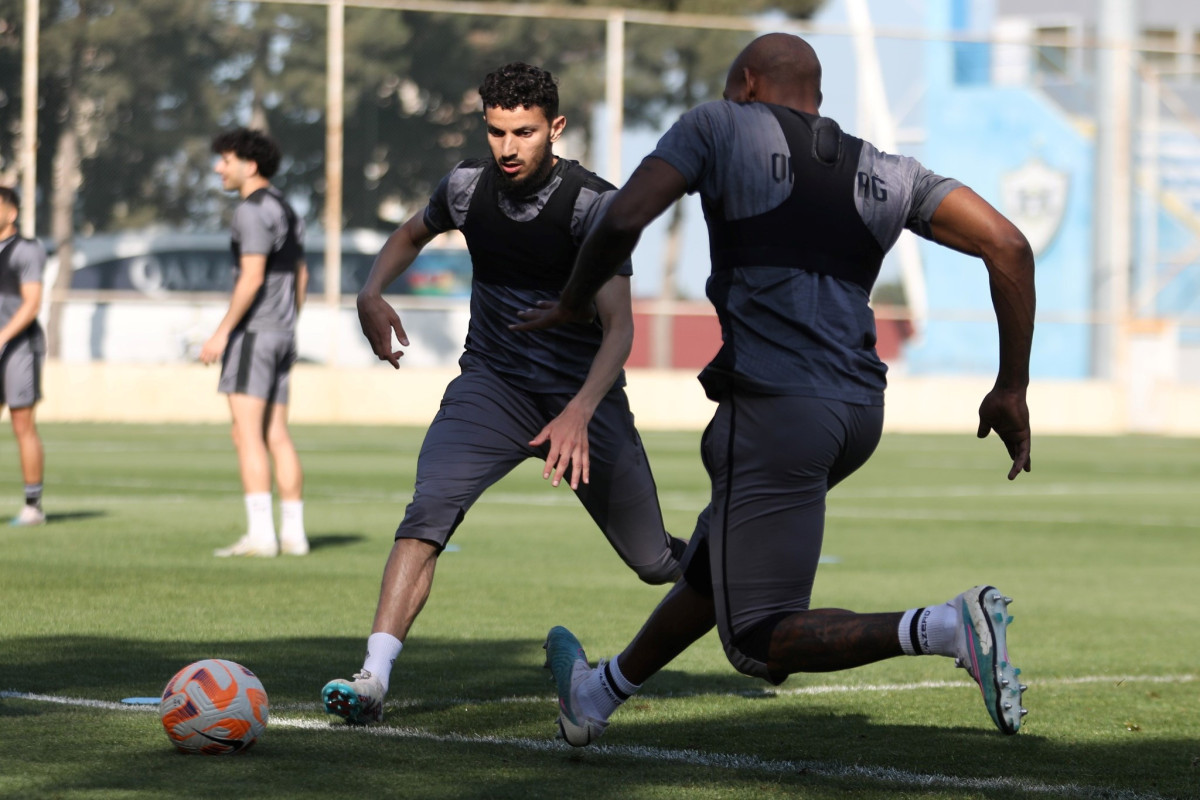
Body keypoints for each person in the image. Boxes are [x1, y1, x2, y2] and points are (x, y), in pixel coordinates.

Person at [515, 33, 1036, 741]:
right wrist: (1011, 386)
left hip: (775, 409)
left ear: (750, 82)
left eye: (736, 88)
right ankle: (596, 695)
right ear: (816, 96)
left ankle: (946, 627)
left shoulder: (717, 124)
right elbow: (1008, 245)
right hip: (856, 412)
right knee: (712, 565)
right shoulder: (887, 170)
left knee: (758, 639)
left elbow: (625, 216)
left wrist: (575, 302)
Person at [321, 62, 687, 725]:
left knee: (655, 561)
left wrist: (578, 411)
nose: (509, 148)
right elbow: (409, 234)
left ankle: (737, 575)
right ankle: (372, 680)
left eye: (523, 132)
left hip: (583, 399)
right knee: (428, 512)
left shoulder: (592, 206)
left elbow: (620, 330)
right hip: (491, 386)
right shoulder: (464, 189)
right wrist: (370, 292)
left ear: (556, 128)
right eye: (496, 132)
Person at [202, 128, 310, 558]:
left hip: (254, 335)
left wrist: (222, 331)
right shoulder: (288, 208)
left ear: (249, 165)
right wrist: (289, 323)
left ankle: (262, 537)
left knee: (246, 435)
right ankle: (294, 536)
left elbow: (251, 276)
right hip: (283, 333)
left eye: (225, 160)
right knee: (276, 434)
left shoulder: (250, 211)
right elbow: (300, 276)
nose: (218, 168)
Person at [0, 186, 48, 526]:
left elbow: (32, 303)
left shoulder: (26, 250)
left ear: (11, 213)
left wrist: (2, 337)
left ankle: (33, 507)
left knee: (22, 423)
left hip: (18, 347)